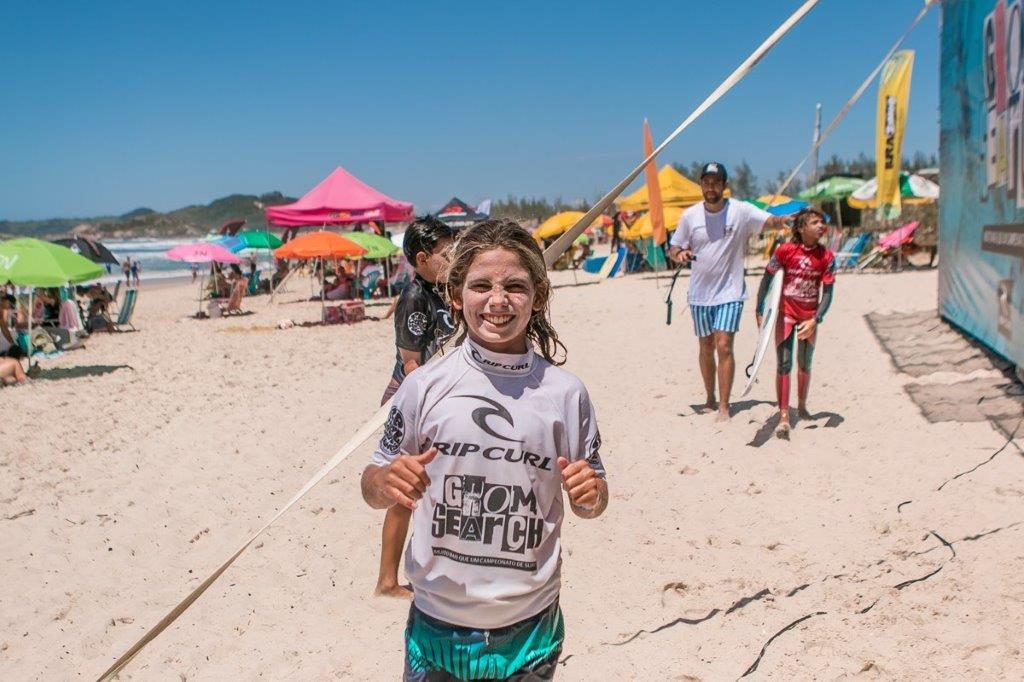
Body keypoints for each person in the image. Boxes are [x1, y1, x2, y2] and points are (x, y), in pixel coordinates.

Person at [360, 219, 608, 681]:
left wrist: (591, 495)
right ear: (455, 296)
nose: (498, 301)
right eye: (480, 286)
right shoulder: (424, 386)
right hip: (436, 630)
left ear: (537, 296)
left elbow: (593, 501)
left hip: (531, 630)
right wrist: (385, 479)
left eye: (515, 286)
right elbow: (371, 486)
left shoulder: (565, 393)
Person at [667, 162, 790, 421]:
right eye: (706, 182)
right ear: (701, 184)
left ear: (724, 185)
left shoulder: (740, 211)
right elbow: (674, 247)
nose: (711, 187)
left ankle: (724, 405)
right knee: (706, 346)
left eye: (716, 182)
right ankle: (709, 397)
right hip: (699, 294)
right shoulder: (690, 216)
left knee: (724, 346)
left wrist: (783, 221)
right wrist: (681, 254)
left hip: (731, 292)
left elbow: (769, 222)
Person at [374, 215, 456, 600]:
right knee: (404, 493)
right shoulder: (414, 297)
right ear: (422, 259)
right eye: (446, 253)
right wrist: (429, 405)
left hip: (442, 391)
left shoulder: (447, 287)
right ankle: (387, 582)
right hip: (413, 396)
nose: (453, 257)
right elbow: (410, 362)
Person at [756, 208, 835, 439]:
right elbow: (767, 278)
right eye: (815, 222)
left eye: (822, 222)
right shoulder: (784, 252)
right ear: (801, 228)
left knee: (805, 363)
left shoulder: (827, 257)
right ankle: (783, 415)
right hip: (786, 314)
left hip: (809, 316)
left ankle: (801, 405)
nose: (821, 225)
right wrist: (759, 308)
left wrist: (816, 319)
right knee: (784, 364)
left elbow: (828, 293)